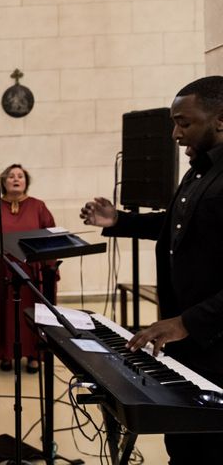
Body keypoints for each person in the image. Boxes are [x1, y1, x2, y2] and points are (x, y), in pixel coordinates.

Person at [80, 76, 223, 464]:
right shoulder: (198, 171)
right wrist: (120, 222)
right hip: (189, 345)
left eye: (185, 122)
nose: (175, 134)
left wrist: (186, 322)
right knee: (183, 443)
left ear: (220, 120)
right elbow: (177, 222)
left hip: (215, 343)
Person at [0, 164, 57, 373]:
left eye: (20, 176)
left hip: (32, 270)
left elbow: (51, 235)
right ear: (3, 181)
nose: (16, 179)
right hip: (1, 270)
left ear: (26, 182)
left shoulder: (38, 206)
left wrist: (49, 269)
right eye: (11, 176)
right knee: (5, 312)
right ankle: (6, 354)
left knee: (33, 311)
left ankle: (34, 354)